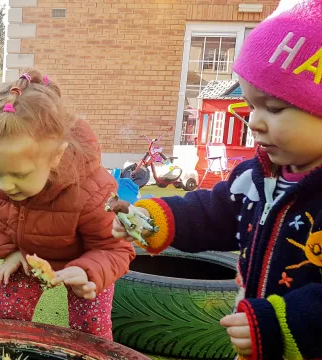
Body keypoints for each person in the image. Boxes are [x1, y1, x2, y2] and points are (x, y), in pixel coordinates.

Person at [112, 1, 322, 358]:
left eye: (274, 108)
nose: (254, 122)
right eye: (251, 106)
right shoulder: (254, 177)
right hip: (257, 340)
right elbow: (212, 213)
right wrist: (150, 220)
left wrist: (278, 323)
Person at [0, 69, 135, 340]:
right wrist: (10, 251)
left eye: (19, 175)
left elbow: (115, 248)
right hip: (29, 256)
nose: (5, 186)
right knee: (9, 314)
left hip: (86, 262)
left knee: (90, 329)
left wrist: (87, 271)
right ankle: (10, 352)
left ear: (56, 156)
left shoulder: (92, 191)